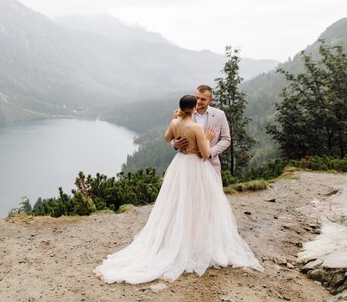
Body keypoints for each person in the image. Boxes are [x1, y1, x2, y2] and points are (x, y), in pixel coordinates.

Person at [93, 95, 262, 284]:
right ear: (192, 109)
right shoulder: (196, 127)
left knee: (176, 203)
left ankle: (177, 239)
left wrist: (176, 134)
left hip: (180, 165)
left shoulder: (175, 122)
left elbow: (167, 137)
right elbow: (205, 153)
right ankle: (193, 243)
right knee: (197, 203)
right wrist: (208, 138)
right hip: (195, 167)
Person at [173, 85, 231, 181]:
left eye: (203, 99)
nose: (198, 102)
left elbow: (226, 139)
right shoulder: (181, 113)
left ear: (211, 100)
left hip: (211, 165)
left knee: (211, 196)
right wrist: (175, 144)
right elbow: (173, 136)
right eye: (197, 98)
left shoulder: (220, 115)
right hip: (187, 166)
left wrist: (210, 152)